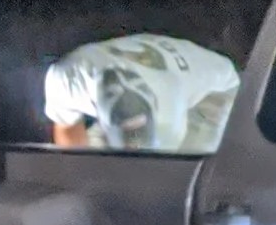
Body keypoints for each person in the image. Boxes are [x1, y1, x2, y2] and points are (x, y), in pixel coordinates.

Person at [42, 34, 241, 154]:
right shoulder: (66, 79)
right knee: (98, 164)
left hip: (218, 91)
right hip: (157, 64)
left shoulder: (168, 123)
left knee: (176, 178)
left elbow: (151, 174)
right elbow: (67, 131)